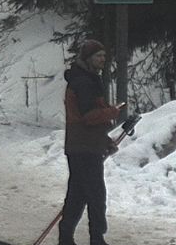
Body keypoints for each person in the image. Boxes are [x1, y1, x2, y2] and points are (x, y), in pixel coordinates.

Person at [58, 39, 122, 245]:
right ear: (88, 59)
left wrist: (104, 140)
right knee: (95, 194)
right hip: (83, 148)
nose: (103, 59)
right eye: (98, 56)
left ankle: (66, 237)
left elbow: (88, 120)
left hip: (82, 145)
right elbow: (88, 116)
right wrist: (111, 112)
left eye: (104, 55)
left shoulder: (86, 79)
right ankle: (96, 238)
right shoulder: (84, 82)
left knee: (78, 193)